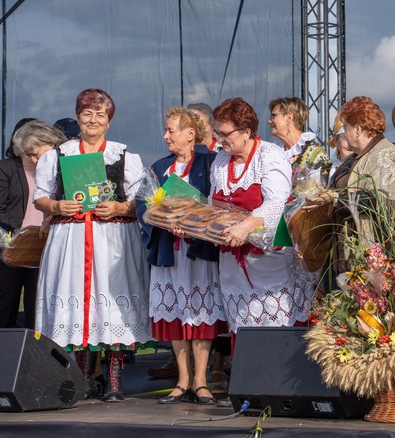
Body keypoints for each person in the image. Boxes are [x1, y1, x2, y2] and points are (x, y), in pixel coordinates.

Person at [33, 88, 151, 402]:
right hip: (71, 238)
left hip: (111, 239)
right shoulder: (58, 155)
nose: (93, 120)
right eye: (87, 114)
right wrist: (57, 207)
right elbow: (40, 197)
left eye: (100, 115)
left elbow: (141, 200)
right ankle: (81, 378)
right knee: (75, 304)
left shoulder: (124, 155)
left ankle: (113, 381)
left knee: (111, 304)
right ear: (78, 117)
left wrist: (120, 208)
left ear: (109, 121)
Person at [137, 107, 225, 405]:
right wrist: (162, 218)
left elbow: (220, 203)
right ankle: (183, 379)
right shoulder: (160, 167)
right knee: (175, 311)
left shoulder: (211, 163)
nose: (165, 136)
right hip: (169, 252)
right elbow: (142, 205)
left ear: (190, 134)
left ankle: (201, 380)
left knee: (200, 313)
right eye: (166, 130)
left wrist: (193, 222)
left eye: (170, 130)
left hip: (198, 251)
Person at [211, 97, 309, 333]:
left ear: (246, 131)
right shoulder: (221, 159)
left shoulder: (270, 155)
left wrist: (245, 227)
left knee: (272, 328)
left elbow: (276, 203)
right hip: (232, 263)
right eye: (217, 133)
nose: (219, 140)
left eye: (225, 134)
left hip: (269, 262)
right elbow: (212, 202)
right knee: (242, 328)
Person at [314, 96, 395, 278]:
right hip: (353, 260)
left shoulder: (384, 156)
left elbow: (380, 202)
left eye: (346, 128)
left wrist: (335, 199)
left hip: (384, 265)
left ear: (358, 129)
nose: (344, 134)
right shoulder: (360, 157)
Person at [0, 120, 66, 329]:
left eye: (35, 152)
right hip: (12, 246)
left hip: (44, 245)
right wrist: (22, 232)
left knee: (37, 304)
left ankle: (35, 356)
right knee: (7, 302)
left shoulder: (57, 167)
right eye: (28, 153)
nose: (33, 158)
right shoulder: (5, 168)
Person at [268, 97, 331, 186]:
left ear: (289, 118)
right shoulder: (274, 151)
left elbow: (324, 188)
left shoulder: (314, 152)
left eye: (273, 116)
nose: (269, 121)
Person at [327, 113, 352, 184]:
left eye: (355, 138)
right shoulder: (324, 172)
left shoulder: (364, 167)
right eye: (345, 139)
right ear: (336, 142)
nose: (351, 144)